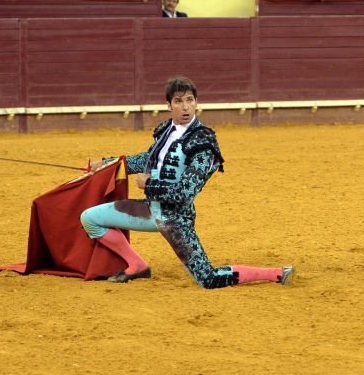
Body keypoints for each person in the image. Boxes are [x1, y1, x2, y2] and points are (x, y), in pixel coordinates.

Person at [81, 76, 293, 287]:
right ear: (169, 105)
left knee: (208, 279)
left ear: (196, 103)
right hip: (149, 209)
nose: (185, 107)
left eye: (190, 100)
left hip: (176, 219)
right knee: (89, 218)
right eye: (179, 101)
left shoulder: (203, 142)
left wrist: (149, 185)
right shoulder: (166, 131)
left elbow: (185, 192)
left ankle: (274, 273)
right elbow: (149, 158)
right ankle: (137, 266)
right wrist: (107, 165)